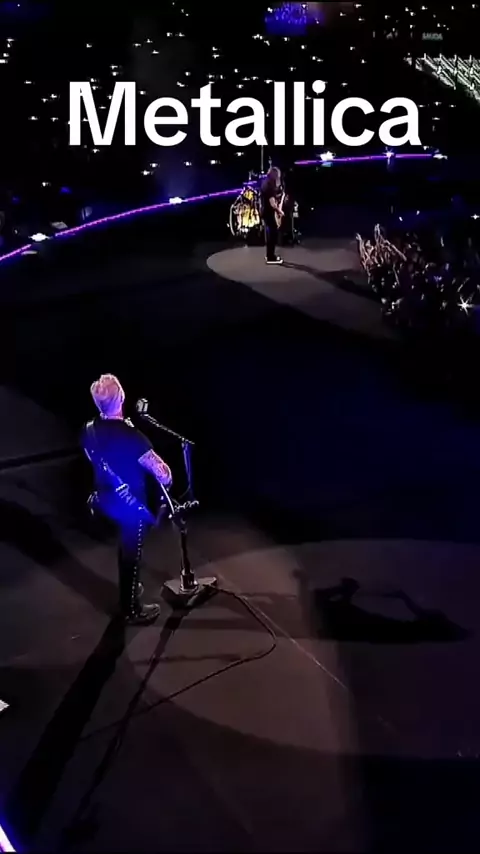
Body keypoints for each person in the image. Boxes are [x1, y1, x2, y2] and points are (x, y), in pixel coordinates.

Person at [82, 374, 172, 625]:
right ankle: (131, 608)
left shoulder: (89, 430)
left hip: (105, 498)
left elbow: (93, 459)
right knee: (132, 552)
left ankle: (129, 589)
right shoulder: (133, 437)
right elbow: (164, 476)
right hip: (130, 505)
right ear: (121, 397)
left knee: (125, 548)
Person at [260, 166, 284, 265]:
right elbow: (272, 203)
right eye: (278, 175)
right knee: (273, 235)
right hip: (268, 212)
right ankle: (271, 257)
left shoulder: (266, 183)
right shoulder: (269, 186)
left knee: (271, 234)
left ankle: (269, 255)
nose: (279, 177)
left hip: (266, 212)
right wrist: (279, 211)